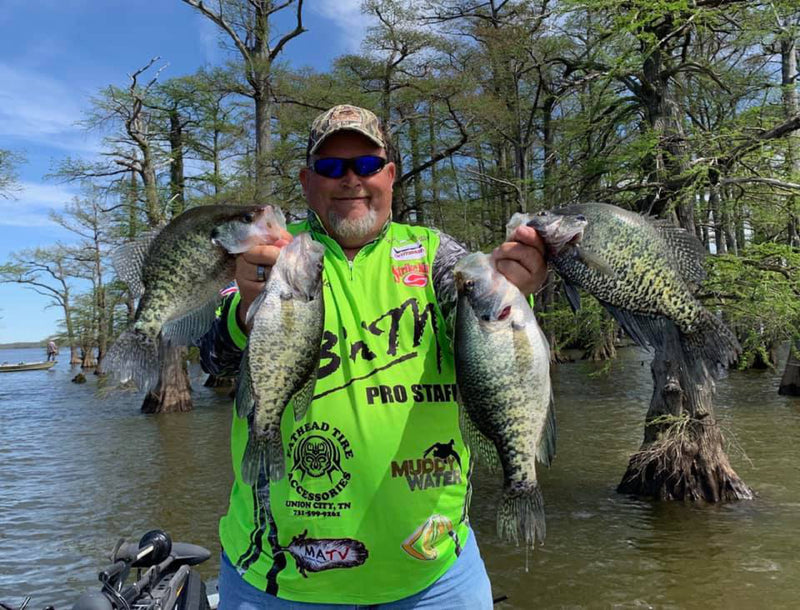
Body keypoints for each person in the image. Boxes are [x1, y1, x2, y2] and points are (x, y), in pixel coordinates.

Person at [199, 105, 547, 609]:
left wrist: (519, 279)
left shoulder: (437, 256)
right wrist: (250, 306)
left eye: (365, 165)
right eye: (331, 167)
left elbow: (491, 336)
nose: (351, 181)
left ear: (389, 175)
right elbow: (216, 358)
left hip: (437, 573)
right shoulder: (273, 251)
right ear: (306, 180)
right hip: (282, 580)